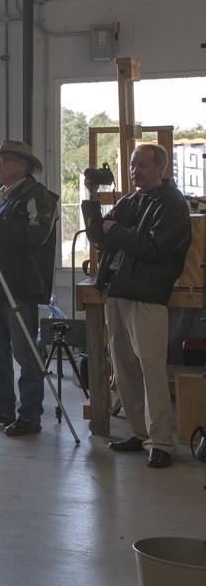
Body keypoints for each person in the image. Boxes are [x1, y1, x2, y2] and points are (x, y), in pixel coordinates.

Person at [82, 144, 189, 468]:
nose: (135, 170)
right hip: (119, 291)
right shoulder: (131, 200)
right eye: (132, 164)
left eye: (142, 165)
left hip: (147, 295)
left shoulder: (172, 204)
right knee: (124, 368)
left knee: (151, 369)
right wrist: (91, 196)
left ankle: (160, 442)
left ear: (161, 168)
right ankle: (140, 432)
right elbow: (100, 236)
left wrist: (120, 232)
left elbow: (156, 248)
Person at [0, 140, 59, 437]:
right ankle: (1, 406)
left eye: (3, 160)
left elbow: (37, 237)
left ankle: (30, 415)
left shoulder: (37, 196)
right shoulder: (1, 197)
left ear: (21, 165)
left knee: (25, 352)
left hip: (20, 287)